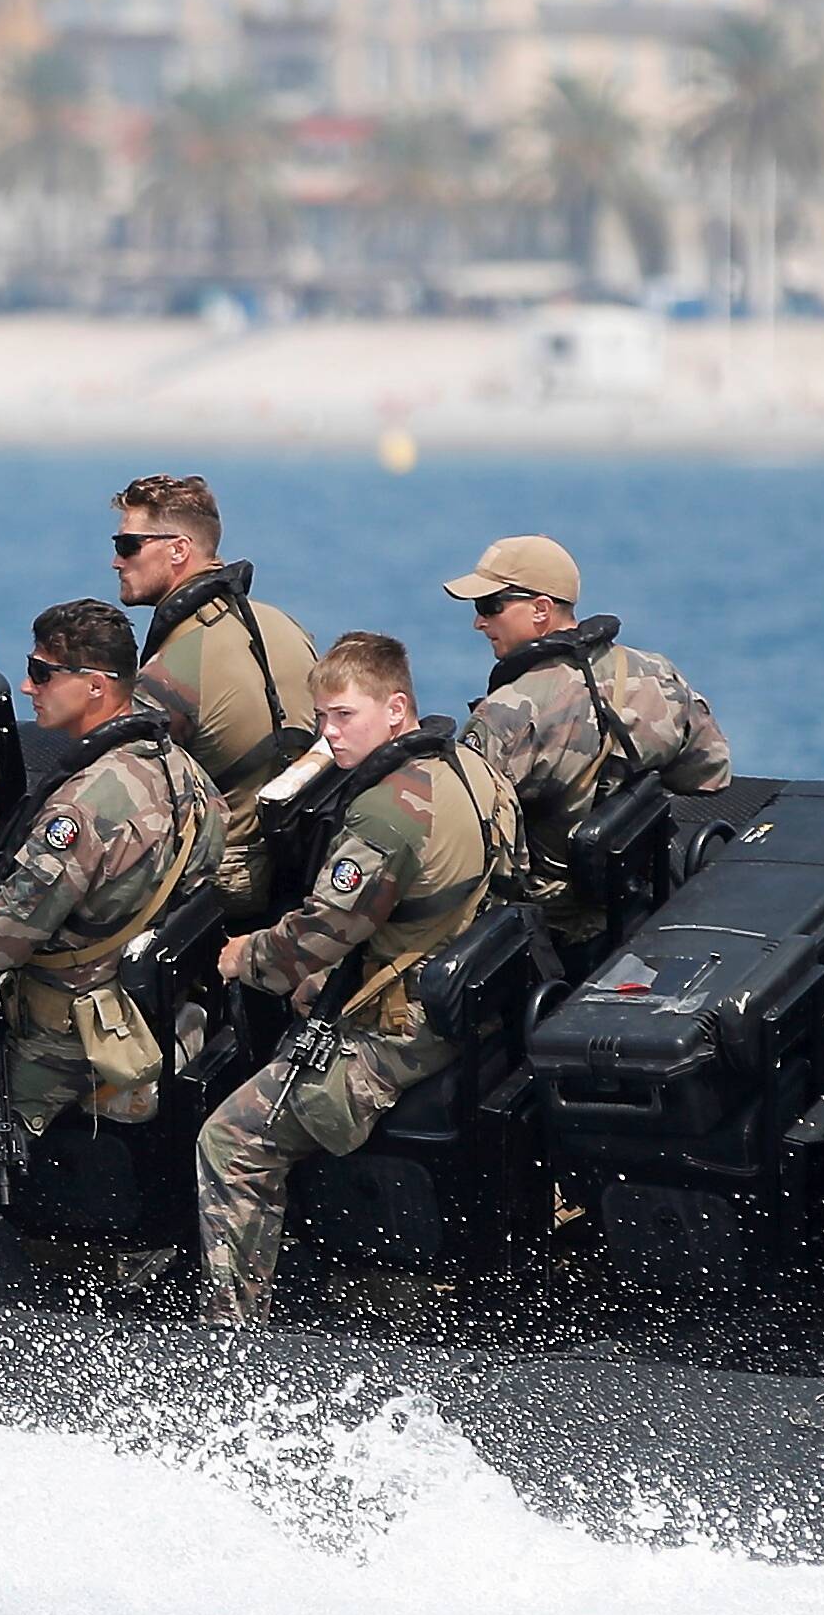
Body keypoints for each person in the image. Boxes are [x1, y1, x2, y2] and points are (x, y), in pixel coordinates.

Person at [0, 600, 222, 1298]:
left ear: (94, 685)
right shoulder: (185, 776)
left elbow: (4, 935)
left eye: (40, 672)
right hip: (145, 1012)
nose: (27, 687)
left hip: (63, 1042)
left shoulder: (82, 807)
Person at [192, 631, 519, 1326]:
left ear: (395, 709)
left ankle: (231, 1328)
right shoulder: (473, 768)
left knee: (227, 1140)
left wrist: (240, 954)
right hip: (466, 997)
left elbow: (313, 937)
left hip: (402, 1032)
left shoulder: (385, 811)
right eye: (321, 718)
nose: (329, 734)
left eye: (344, 715)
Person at [447, 535, 732, 946]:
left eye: (490, 607)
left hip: (556, 925)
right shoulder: (656, 672)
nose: (479, 622)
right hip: (644, 892)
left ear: (541, 609)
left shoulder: (506, 715)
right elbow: (710, 773)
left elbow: (466, 843)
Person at [112, 471, 323, 915]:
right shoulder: (285, 627)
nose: (117, 561)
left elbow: (121, 798)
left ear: (178, 550)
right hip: (303, 862)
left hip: (230, 885)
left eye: (128, 545)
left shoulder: (170, 671)